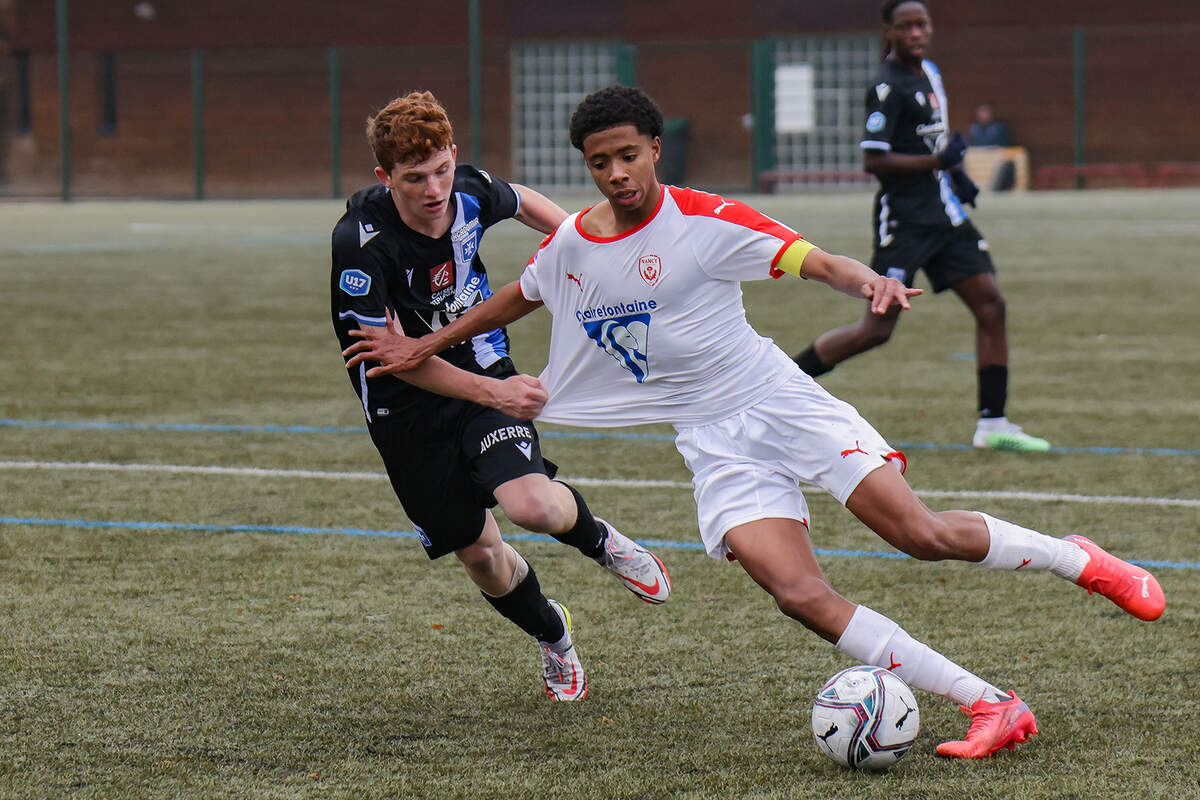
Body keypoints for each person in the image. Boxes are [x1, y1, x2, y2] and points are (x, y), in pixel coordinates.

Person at [343, 84, 1166, 759]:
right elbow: (515, 296)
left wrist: (866, 283)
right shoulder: (573, 245)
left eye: (629, 155)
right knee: (798, 593)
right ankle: (989, 703)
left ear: (656, 151)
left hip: (779, 402)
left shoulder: (705, 221)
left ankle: (1078, 559)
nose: (617, 174)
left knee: (918, 534)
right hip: (711, 441)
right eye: (600, 162)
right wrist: (426, 342)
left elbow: (809, 257)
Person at [330, 90, 671, 703]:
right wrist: (497, 392)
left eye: (441, 170)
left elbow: (522, 202)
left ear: (453, 157)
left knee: (533, 507)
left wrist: (587, 244)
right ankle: (554, 635)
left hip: (479, 359)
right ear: (386, 178)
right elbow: (396, 360)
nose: (434, 190)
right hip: (403, 405)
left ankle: (602, 542)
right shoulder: (360, 246)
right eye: (414, 179)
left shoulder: (467, 190)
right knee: (482, 556)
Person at [790, 0, 1049, 451]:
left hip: (946, 216)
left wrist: (956, 175)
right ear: (890, 30)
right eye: (906, 26)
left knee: (992, 305)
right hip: (905, 223)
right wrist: (935, 161)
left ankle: (993, 425)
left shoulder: (930, 72)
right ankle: (780, 387)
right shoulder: (885, 86)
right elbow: (875, 159)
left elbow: (937, 137)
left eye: (922, 24)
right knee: (876, 330)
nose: (916, 33)